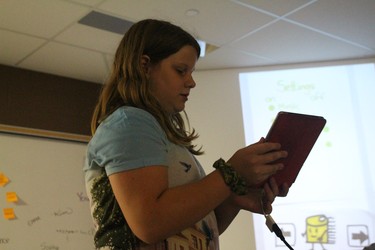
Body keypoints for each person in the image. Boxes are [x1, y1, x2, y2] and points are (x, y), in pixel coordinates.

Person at [84, 19, 289, 250]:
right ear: (144, 66)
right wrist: (231, 173)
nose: (191, 82)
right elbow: (150, 224)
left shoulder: (160, 134)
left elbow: (195, 230)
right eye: (181, 70)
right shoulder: (130, 123)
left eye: (191, 72)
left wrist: (233, 199)